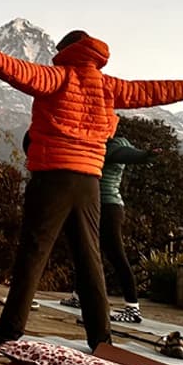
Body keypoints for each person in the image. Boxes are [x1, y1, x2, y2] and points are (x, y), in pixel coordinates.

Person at [0, 30, 183, 349]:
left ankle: (10, 329)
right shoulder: (108, 86)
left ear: (68, 50)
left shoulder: (59, 76)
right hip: (89, 183)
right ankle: (101, 338)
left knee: (34, 252)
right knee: (89, 258)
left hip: (53, 177)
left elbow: (23, 72)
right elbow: (153, 91)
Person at [60, 136, 155, 323]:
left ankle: (133, 307)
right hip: (101, 205)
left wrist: (144, 156)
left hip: (107, 206)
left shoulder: (114, 144)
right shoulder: (121, 142)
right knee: (87, 250)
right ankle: (79, 296)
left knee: (116, 256)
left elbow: (122, 154)